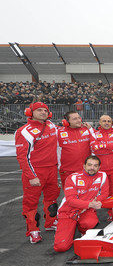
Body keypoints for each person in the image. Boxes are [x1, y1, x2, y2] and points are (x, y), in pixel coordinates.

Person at [15, 102, 59, 243]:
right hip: (35, 172)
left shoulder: (51, 125)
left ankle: (50, 223)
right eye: (39, 110)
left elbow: (63, 132)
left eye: (45, 110)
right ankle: (33, 230)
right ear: (30, 112)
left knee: (51, 199)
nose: (43, 113)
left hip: (52, 169)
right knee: (30, 203)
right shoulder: (24, 131)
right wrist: (32, 176)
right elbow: (23, 157)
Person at [53, 156, 109, 252]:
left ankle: (82, 230)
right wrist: (90, 204)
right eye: (89, 165)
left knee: (90, 222)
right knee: (61, 247)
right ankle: (67, 229)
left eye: (95, 166)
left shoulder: (103, 176)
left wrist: (96, 201)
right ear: (84, 166)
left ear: (99, 167)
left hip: (86, 210)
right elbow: (70, 201)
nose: (92, 168)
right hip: (69, 212)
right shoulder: (73, 178)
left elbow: (104, 194)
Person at [90, 115, 113, 196]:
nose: (107, 123)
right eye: (104, 121)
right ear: (100, 122)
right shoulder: (94, 135)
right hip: (101, 168)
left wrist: (102, 145)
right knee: (103, 190)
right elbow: (95, 149)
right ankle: (106, 207)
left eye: (109, 121)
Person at [58, 111, 93, 187]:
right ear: (67, 122)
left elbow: (98, 139)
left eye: (79, 118)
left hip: (86, 169)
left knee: (86, 194)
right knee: (70, 194)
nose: (78, 120)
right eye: (74, 119)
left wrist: (91, 129)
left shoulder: (87, 129)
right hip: (68, 170)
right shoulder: (59, 132)